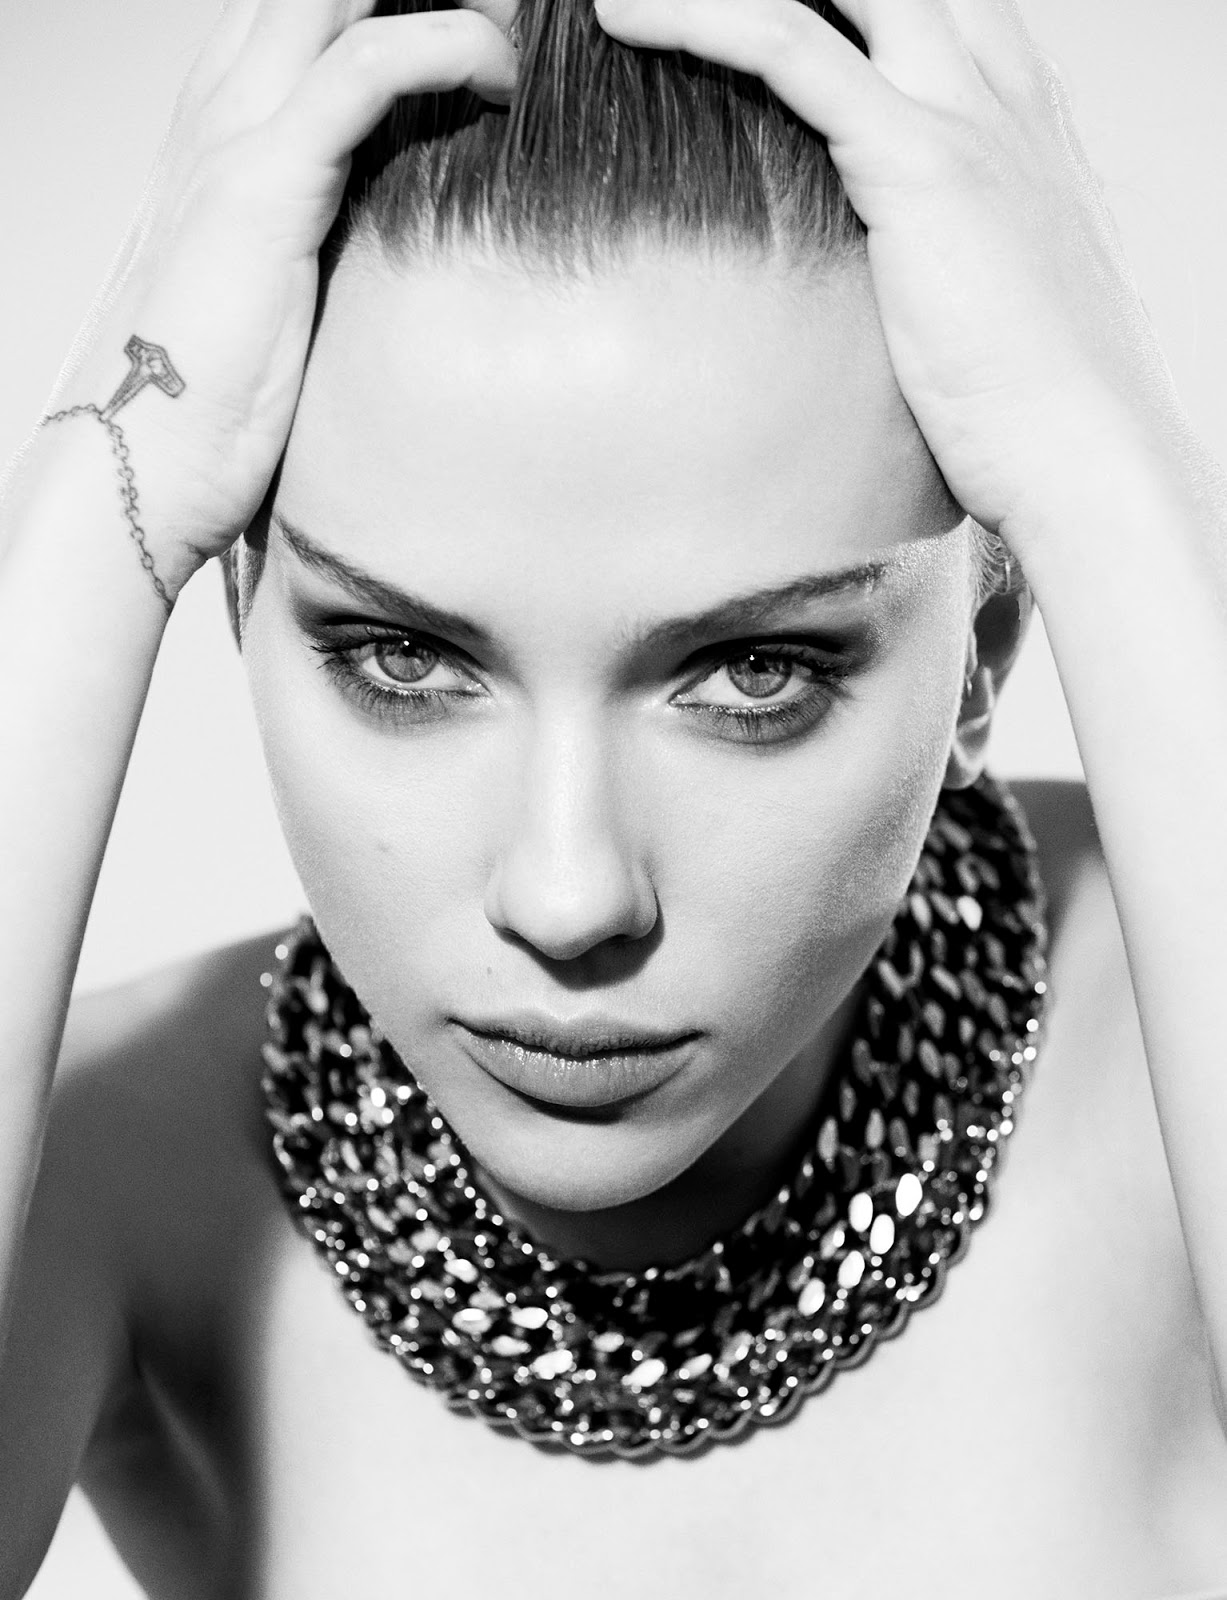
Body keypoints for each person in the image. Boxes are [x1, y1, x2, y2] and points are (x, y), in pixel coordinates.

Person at [2, 0, 1226, 1592]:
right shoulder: (103, 1169)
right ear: (243, 603)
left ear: (982, 653)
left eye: (756, 674)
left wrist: (1111, 478)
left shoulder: (1166, 1038)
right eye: (402, 656)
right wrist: (101, 496)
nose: (569, 897)